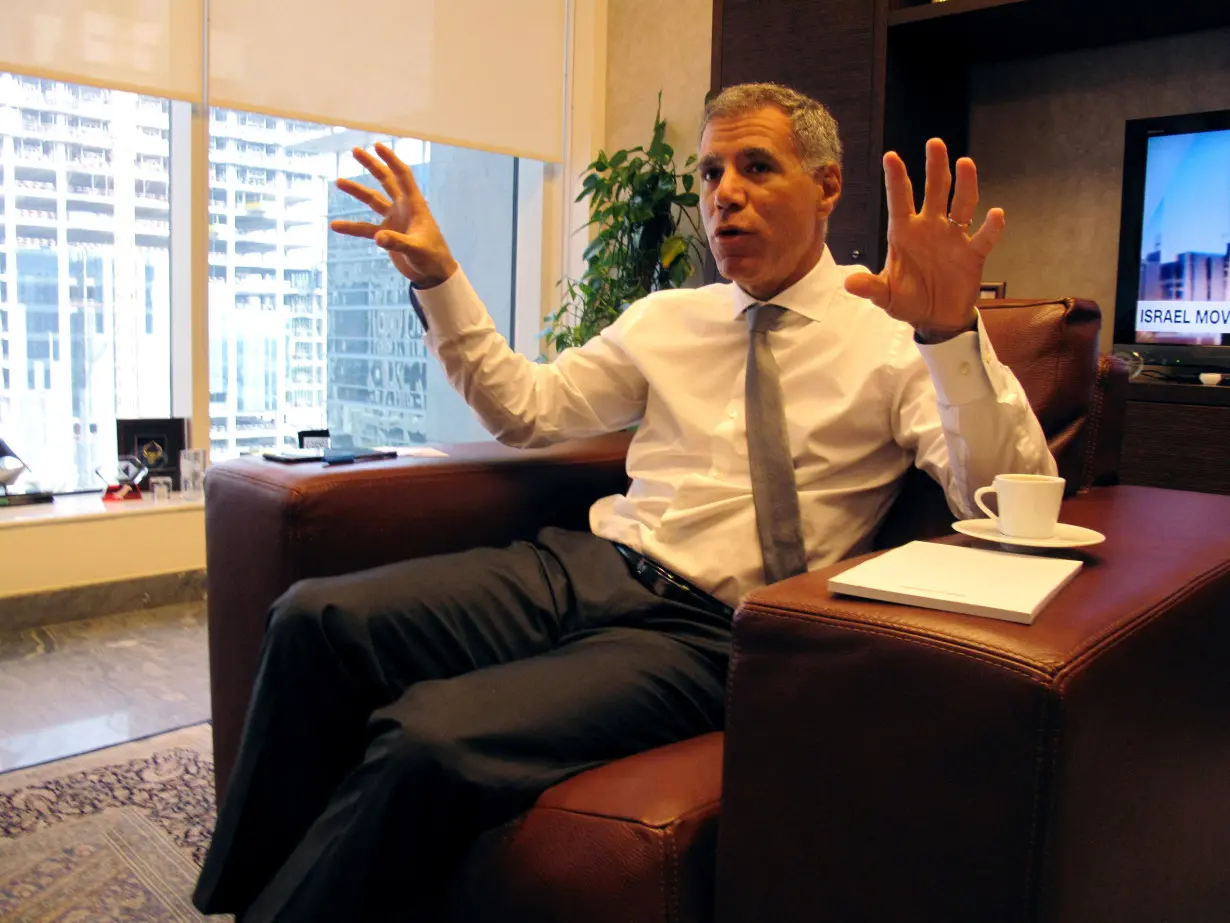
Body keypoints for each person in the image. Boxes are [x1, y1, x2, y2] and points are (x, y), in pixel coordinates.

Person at [193, 82, 1055, 922]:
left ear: (827, 186)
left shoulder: (896, 332)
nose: (727, 196)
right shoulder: (667, 319)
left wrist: (949, 333)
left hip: (711, 630)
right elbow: (527, 411)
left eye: (757, 167)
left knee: (428, 740)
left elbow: (1000, 498)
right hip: (587, 566)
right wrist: (441, 277)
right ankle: (244, 898)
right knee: (314, 616)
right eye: (712, 174)